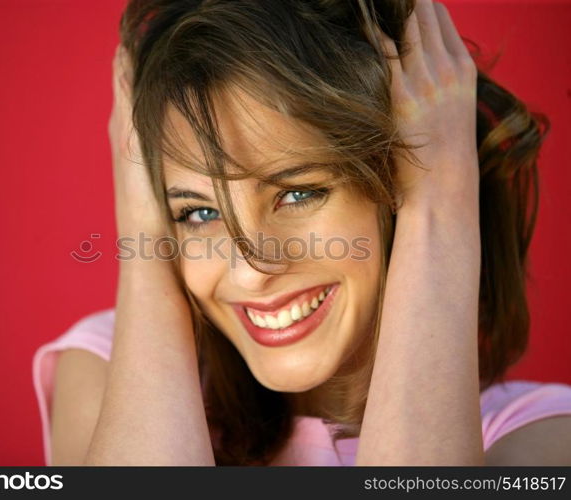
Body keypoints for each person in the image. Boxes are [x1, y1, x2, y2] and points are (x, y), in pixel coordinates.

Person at [33, 0, 571, 465]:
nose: (250, 269)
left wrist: (442, 195)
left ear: (400, 187)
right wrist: (144, 232)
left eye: (297, 193)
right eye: (198, 213)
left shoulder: (539, 435)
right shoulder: (108, 363)